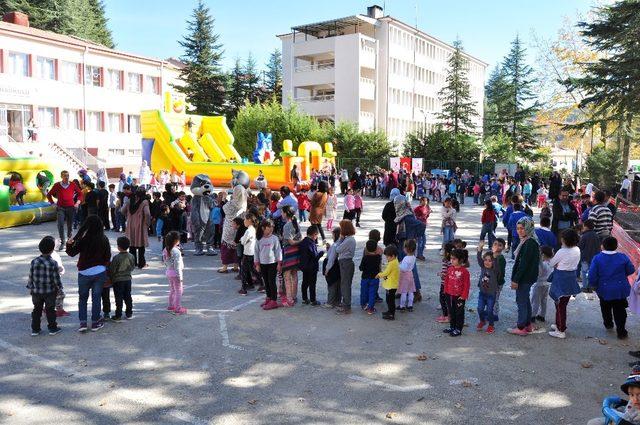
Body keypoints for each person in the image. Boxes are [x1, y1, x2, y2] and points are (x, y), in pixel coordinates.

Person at [65, 215, 111, 332]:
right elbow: (108, 256)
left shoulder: (84, 239)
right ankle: (95, 322)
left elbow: (71, 253)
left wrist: (69, 244)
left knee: (82, 298)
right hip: (99, 272)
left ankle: (83, 323)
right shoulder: (104, 239)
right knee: (96, 298)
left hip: (84, 272)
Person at [589, 236, 635, 340]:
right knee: (620, 310)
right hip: (620, 289)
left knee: (605, 307)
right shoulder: (623, 257)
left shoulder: (597, 258)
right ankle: (621, 331)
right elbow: (631, 270)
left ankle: (608, 324)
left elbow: (592, 275)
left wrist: (593, 285)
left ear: (602, 246)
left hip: (604, 289)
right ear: (616, 246)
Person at [508, 217, 540, 336]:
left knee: (521, 301)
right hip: (528, 276)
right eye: (518, 228)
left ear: (529, 228)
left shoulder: (529, 243)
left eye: (522, 228)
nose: (520, 231)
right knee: (525, 300)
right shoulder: (529, 240)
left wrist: (516, 279)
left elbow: (523, 264)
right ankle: (527, 324)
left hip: (524, 278)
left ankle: (521, 327)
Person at [547, 228, 581, 339]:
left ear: (564, 240)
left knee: (560, 305)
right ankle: (558, 324)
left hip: (561, 279)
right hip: (571, 277)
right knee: (562, 303)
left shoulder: (562, 251)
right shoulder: (577, 249)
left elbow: (552, 263)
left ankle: (561, 329)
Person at [27, 236, 63, 336]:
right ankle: (52, 328)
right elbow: (56, 278)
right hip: (49, 291)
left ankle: (35, 329)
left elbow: (31, 275)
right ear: (52, 250)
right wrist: (59, 288)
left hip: (36, 291)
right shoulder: (53, 263)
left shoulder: (34, 261)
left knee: (37, 309)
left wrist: (30, 287)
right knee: (50, 309)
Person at [47, 170, 83, 250]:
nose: (66, 177)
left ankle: (69, 241)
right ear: (61, 177)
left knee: (70, 225)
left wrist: (77, 203)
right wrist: (53, 204)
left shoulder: (72, 184)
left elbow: (80, 194)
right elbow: (49, 195)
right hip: (60, 208)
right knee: (60, 224)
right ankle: (62, 242)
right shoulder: (57, 185)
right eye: (65, 176)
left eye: (67, 176)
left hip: (71, 207)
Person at [255, 220, 282, 311]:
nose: (271, 228)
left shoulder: (274, 238)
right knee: (266, 282)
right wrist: (257, 264)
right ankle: (269, 298)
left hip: (272, 264)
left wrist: (279, 263)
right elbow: (256, 252)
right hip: (263, 264)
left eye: (272, 226)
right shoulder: (259, 239)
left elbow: (278, 251)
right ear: (263, 228)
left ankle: (274, 301)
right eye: (269, 227)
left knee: (271, 282)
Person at [443, 248, 470, 337]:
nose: (451, 260)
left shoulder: (465, 271)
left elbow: (467, 285)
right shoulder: (450, 269)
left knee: (459, 313)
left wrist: (464, 296)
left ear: (460, 260)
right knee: (451, 311)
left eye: (454, 259)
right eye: (451, 258)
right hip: (449, 294)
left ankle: (458, 329)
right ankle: (452, 326)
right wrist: (445, 291)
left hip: (459, 297)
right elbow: (446, 281)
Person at [122, 187, 151, 269]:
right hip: (140, 225)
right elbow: (147, 214)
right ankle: (142, 264)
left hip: (130, 225)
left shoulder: (129, 200)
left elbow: (122, 210)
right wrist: (147, 223)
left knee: (132, 245)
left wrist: (128, 216)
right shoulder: (144, 202)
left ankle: (133, 263)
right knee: (141, 246)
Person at [108, 236, 136, 321]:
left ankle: (118, 315)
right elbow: (132, 266)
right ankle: (129, 313)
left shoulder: (116, 258)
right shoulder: (131, 256)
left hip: (118, 280)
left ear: (119, 247)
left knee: (118, 298)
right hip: (127, 279)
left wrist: (111, 279)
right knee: (128, 296)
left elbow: (112, 269)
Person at [476, 241, 499, 334]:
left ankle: (491, 325)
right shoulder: (483, 267)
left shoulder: (495, 270)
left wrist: (494, 255)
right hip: (482, 293)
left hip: (491, 294)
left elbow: (496, 264)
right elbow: (479, 258)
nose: (487, 262)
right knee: (479, 309)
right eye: (485, 260)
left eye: (490, 260)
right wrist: (480, 249)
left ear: (493, 262)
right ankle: (482, 321)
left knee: (490, 310)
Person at [281, 206, 302, 307]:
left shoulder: (287, 226)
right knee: (294, 275)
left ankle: (289, 299)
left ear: (286, 213)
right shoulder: (296, 223)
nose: (281, 214)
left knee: (286, 276)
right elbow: (298, 238)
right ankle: (294, 296)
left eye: (282, 212)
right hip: (296, 251)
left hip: (289, 251)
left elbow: (291, 241)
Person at [298, 226, 324, 305]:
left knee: (305, 282)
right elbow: (315, 256)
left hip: (304, 266)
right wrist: (321, 253)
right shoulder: (311, 243)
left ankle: (304, 298)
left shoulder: (303, 242)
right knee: (312, 283)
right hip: (312, 267)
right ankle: (313, 300)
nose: (316, 237)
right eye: (316, 235)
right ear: (314, 234)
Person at [335, 219, 356, 315]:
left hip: (346, 263)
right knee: (345, 284)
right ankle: (345, 304)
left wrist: (340, 238)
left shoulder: (348, 240)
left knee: (345, 285)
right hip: (345, 262)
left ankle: (346, 306)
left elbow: (338, 249)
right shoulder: (349, 239)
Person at [163, 231, 186, 315]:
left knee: (172, 289)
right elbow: (177, 265)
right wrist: (180, 276)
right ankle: (177, 308)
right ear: (176, 241)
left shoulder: (165, 249)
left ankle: (171, 305)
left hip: (169, 271)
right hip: (175, 273)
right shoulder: (176, 251)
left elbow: (165, 261)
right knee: (179, 291)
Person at [530, 246, 554, 324]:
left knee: (535, 301)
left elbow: (539, 272)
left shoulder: (543, 264)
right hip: (547, 284)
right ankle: (542, 315)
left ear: (543, 254)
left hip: (539, 284)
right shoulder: (551, 263)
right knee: (544, 301)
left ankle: (532, 316)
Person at [377, 244, 400, 321]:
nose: (387, 258)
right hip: (392, 284)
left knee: (390, 300)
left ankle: (391, 314)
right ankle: (390, 311)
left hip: (391, 285)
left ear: (393, 256)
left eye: (387, 257)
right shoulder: (395, 261)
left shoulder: (392, 263)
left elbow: (386, 272)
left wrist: (379, 275)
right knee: (389, 300)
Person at [578, 219, 602, 292]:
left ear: (586, 227)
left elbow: (580, 246)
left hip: (585, 257)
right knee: (592, 272)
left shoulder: (584, 236)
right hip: (594, 257)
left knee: (584, 272)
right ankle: (591, 286)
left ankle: (585, 287)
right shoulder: (596, 235)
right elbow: (599, 247)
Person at [359, 239, 381, 314]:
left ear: (366, 249)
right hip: (375, 278)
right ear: (375, 249)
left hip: (365, 278)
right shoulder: (378, 257)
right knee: (372, 293)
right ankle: (370, 308)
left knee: (364, 291)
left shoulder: (365, 258)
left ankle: (363, 304)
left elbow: (361, 268)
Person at [323, 227, 342, 308]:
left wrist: (327, 269)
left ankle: (330, 303)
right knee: (337, 284)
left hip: (332, 267)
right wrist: (329, 248)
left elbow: (331, 259)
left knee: (331, 285)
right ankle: (337, 301)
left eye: (333, 234)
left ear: (335, 234)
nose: (332, 236)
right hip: (337, 267)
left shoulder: (335, 245)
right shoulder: (340, 243)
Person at [238, 213, 257, 296]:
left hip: (247, 252)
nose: (244, 221)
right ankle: (253, 284)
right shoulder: (253, 229)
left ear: (249, 220)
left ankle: (243, 288)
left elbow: (243, 241)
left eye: (245, 219)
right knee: (252, 269)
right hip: (252, 252)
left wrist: (241, 239)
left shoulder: (248, 230)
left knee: (243, 270)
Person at [397, 239, 417, 312]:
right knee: (411, 291)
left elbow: (403, 268)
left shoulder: (406, 258)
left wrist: (399, 265)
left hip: (405, 276)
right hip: (410, 275)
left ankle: (402, 306)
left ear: (406, 249)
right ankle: (410, 305)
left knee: (404, 291)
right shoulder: (413, 257)